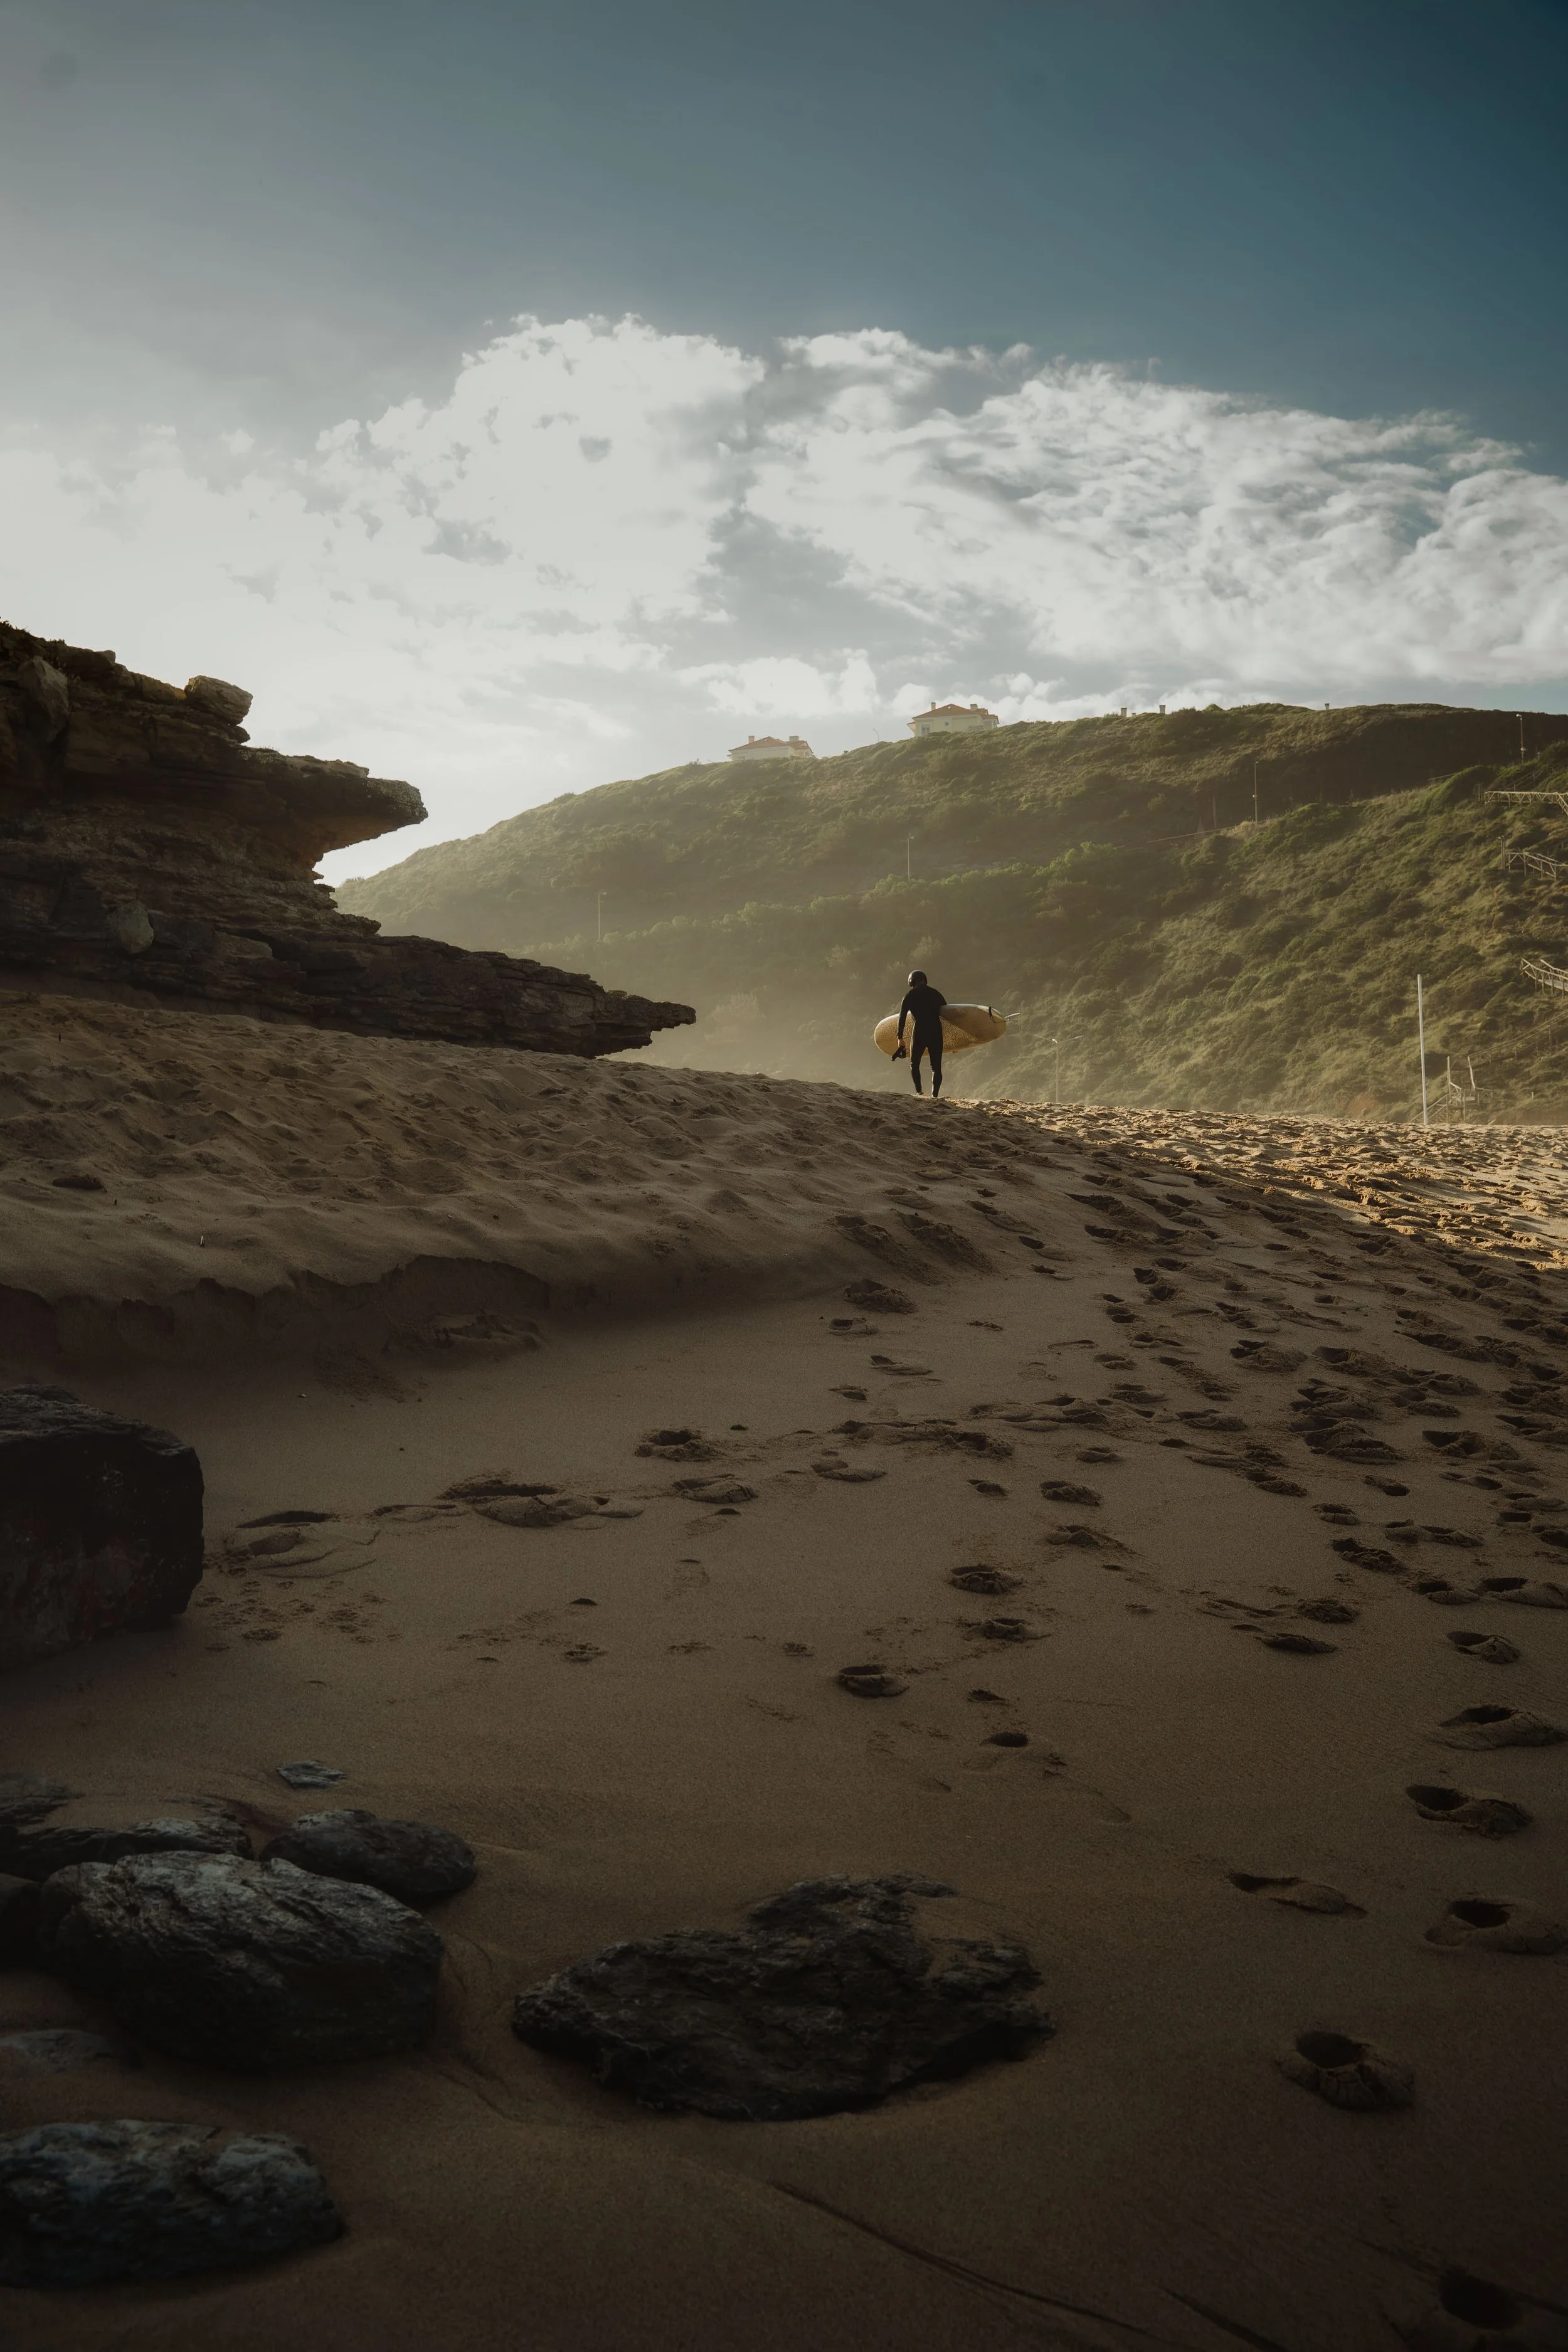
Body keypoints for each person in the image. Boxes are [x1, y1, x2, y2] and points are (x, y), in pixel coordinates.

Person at [893, 968, 948, 1098]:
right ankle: (935, 1096)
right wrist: (956, 1042)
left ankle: (919, 1092)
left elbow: (902, 1018)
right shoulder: (936, 994)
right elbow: (947, 1015)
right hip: (936, 1031)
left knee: (915, 1063)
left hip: (920, 1031)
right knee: (936, 1067)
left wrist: (900, 1037)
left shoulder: (909, 996)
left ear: (911, 981)